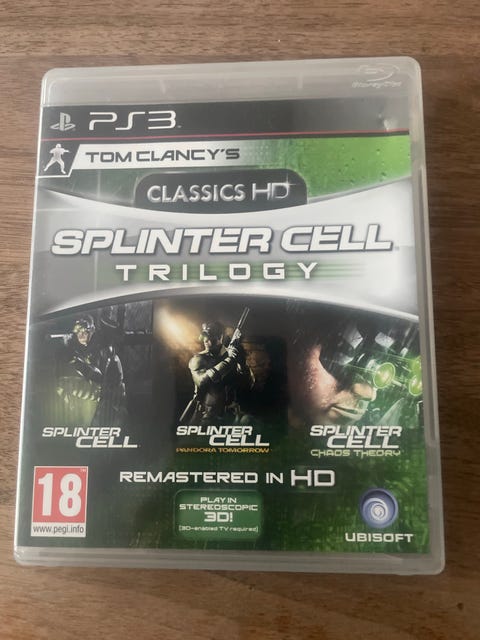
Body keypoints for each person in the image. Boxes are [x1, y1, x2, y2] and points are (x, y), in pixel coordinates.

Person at [56, 315, 127, 426]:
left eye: (84, 331)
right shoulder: (80, 345)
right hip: (96, 389)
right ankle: (74, 414)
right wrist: (65, 348)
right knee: (61, 385)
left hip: (108, 393)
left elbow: (98, 377)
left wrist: (75, 361)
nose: (81, 334)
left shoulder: (102, 348)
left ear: (92, 330)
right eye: (78, 331)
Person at [183, 320, 254, 425]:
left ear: (220, 337)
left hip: (232, 415)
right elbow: (203, 382)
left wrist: (242, 364)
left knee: (249, 421)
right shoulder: (198, 359)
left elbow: (249, 384)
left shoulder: (232, 354)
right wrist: (230, 360)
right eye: (205, 337)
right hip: (207, 415)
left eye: (211, 337)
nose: (206, 340)